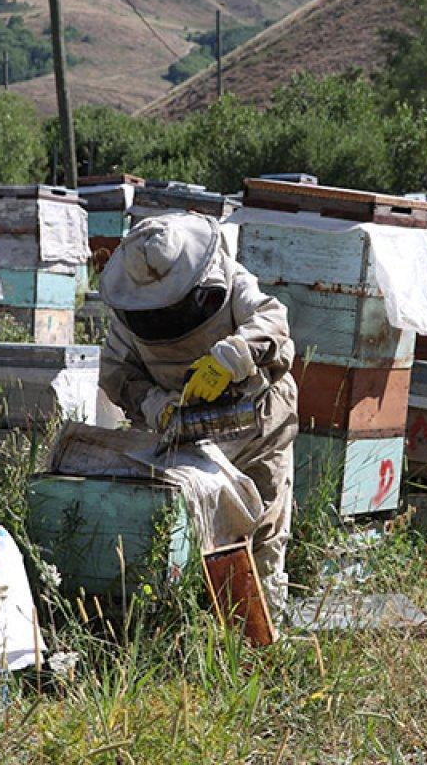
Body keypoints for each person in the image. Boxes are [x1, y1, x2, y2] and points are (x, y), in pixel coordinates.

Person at [96, 211, 297, 618]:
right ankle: (179, 624)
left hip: (257, 423)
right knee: (175, 533)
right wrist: (154, 403)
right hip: (180, 433)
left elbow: (273, 322)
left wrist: (234, 355)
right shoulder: (129, 309)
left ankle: (260, 634)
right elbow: (116, 372)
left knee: (262, 526)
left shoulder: (231, 279)